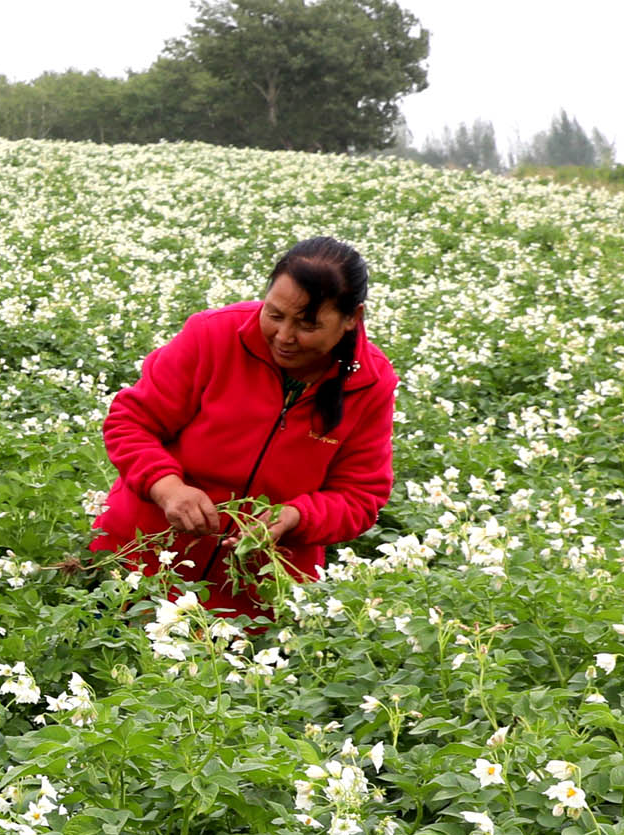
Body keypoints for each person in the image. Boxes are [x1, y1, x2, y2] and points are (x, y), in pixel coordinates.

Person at [87, 237, 395, 614]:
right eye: (275, 315)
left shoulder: (369, 382)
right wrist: (168, 489)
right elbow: (130, 421)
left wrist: (295, 517)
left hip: (254, 597)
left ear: (351, 318)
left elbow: (359, 496)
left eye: (307, 324)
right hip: (138, 565)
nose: (285, 336)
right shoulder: (214, 335)